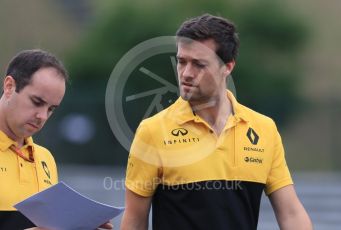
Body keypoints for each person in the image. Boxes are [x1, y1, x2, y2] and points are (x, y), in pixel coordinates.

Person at [121, 14, 312, 230]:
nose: (186, 73)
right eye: (182, 61)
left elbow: (291, 214)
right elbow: (135, 220)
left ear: (227, 67)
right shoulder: (152, 131)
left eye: (199, 64)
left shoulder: (264, 129)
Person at [0, 50, 112, 230]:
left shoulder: (45, 158)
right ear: (9, 86)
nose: (42, 116)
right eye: (37, 102)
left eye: (51, 109)